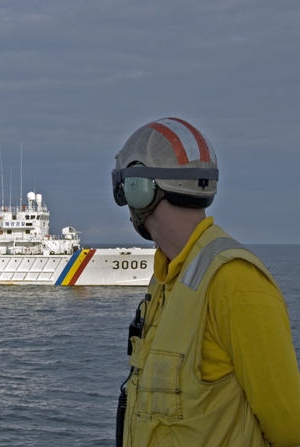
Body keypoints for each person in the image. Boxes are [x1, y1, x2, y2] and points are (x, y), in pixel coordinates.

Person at [110, 117, 300, 447]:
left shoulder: (235, 284)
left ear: (140, 188)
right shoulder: (166, 282)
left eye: (125, 184)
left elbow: (290, 429)